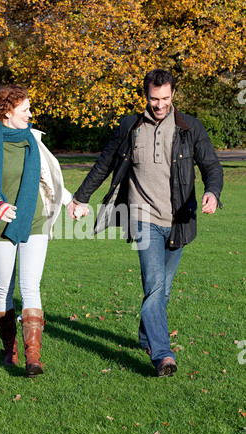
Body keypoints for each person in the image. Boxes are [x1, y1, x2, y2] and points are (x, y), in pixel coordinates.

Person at [68, 69, 223, 377]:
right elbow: (104, 164)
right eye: (154, 99)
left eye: (165, 98)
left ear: (173, 95)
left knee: (162, 290)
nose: (160, 104)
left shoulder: (190, 127)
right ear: (146, 96)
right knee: (154, 284)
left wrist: (213, 192)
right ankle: (163, 354)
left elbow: (211, 165)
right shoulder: (130, 126)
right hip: (141, 217)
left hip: (179, 220)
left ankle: (145, 336)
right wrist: (80, 198)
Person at [0, 85, 73, 377]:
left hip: (34, 220)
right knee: (3, 289)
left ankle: (33, 357)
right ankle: (9, 347)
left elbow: (49, 175)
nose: (30, 115)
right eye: (26, 110)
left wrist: (72, 202)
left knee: (30, 287)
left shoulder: (32, 139)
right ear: (8, 112)